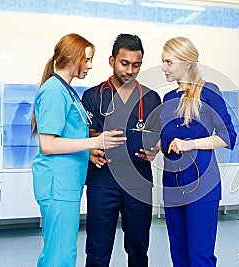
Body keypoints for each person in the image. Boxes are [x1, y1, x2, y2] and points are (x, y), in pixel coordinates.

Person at [31, 33, 126, 267]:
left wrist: (88, 153)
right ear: (73, 58)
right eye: (87, 59)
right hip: (58, 185)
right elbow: (49, 144)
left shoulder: (66, 90)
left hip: (66, 184)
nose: (91, 65)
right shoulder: (54, 91)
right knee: (60, 255)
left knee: (56, 250)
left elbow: (67, 137)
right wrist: (95, 142)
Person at [81, 33, 161, 267]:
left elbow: (157, 135)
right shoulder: (93, 96)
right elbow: (85, 135)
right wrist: (92, 148)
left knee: (138, 249)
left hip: (139, 182)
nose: (130, 70)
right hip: (103, 181)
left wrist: (155, 148)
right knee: (97, 249)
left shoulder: (151, 98)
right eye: (124, 63)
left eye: (136, 65)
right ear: (111, 61)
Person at [160, 37, 237, 267]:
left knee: (199, 257)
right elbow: (166, 140)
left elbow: (227, 136)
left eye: (168, 62)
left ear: (187, 63)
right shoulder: (168, 98)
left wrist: (190, 144)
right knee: (179, 255)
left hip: (202, 186)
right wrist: (152, 149)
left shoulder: (208, 92)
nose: (164, 68)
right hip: (172, 185)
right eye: (162, 62)